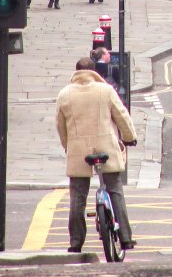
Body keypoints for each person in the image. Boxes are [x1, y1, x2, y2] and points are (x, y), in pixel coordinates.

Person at [56, 57, 137, 253]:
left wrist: (69, 146)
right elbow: (122, 116)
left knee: (78, 196)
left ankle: (76, 243)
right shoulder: (106, 90)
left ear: (76, 72)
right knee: (115, 189)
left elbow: (60, 126)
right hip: (106, 147)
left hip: (79, 150)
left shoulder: (65, 94)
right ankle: (125, 238)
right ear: (94, 72)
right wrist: (130, 137)